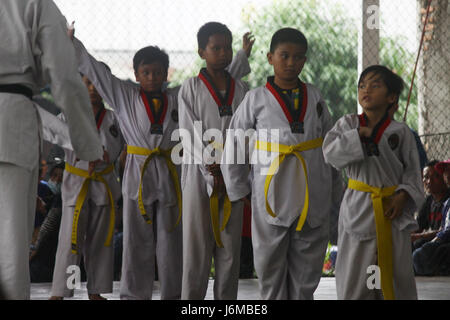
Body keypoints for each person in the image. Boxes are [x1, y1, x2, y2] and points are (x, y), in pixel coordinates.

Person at [68, 24, 252, 300]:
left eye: (158, 72)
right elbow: (98, 72)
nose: (153, 78)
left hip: (170, 173)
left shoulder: (178, 96)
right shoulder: (125, 95)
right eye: (146, 72)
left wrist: (240, 57)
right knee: (136, 240)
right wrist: (73, 45)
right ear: (136, 73)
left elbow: (219, 84)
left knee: (172, 241)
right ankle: (133, 295)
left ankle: (173, 295)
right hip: (138, 172)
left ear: (167, 74)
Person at [221, 27, 342, 300]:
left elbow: (330, 142)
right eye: (284, 56)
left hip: (312, 189)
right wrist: (238, 188)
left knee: (308, 265)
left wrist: (335, 187)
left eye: (298, 57)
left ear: (305, 61)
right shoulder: (255, 98)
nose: (291, 63)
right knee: (268, 265)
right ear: (269, 58)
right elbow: (235, 142)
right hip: (271, 191)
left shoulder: (316, 96)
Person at [0, 0, 103, 300]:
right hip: (9, 126)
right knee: (10, 244)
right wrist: (87, 142)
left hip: (14, 115)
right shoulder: (34, 3)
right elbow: (64, 77)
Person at [323, 65, 424, 300]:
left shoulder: (401, 132)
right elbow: (330, 154)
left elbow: (412, 173)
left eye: (375, 85)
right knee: (356, 273)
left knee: (394, 272)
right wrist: (356, 137)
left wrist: (403, 195)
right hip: (358, 206)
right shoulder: (348, 124)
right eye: (362, 85)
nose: (366, 90)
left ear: (391, 97)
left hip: (392, 208)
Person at [179, 22, 255, 300]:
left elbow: (246, 131)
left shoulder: (241, 89)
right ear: (202, 52)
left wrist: (234, 168)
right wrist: (211, 165)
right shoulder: (190, 87)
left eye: (227, 48)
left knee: (230, 248)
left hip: (232, 174)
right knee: (196, 246)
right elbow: (188, 132)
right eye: (216, 48)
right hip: (199, 174)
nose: (222, 53)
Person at [45, 73, 125, 300]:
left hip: (104, 185)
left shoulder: (114, 119)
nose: (92, 89)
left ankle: (95, 291)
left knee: (101, 240)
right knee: (70, 241)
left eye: (97, 84)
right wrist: (58, 165)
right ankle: (61, 290)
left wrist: (106, 155)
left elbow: (120, 147)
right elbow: (56, 143)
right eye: (86, 83)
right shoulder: (68, 116)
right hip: (76, 186)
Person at [413, 159, 450, 276]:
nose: (428, 182)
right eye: (426, 177)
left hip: (443, 241)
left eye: (435, 177)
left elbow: (444, 232)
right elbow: (417, 226)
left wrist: (422, 236)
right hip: (438, 240)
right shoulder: (429, 201)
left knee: (423, 253)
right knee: (413, 245)